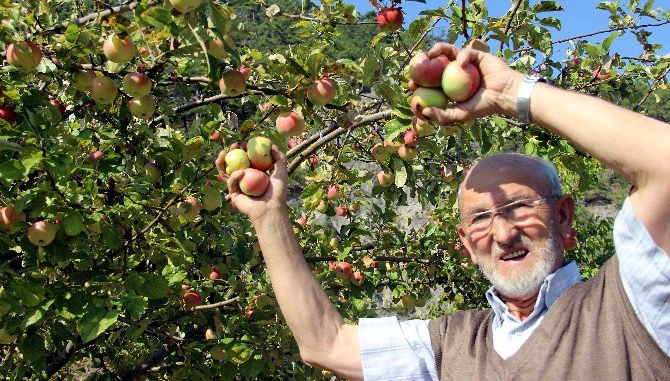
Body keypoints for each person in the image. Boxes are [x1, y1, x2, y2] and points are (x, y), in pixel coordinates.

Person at [221, 43, 670, 380]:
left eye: (517, 207)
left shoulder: (631, 304)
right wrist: (269, 216)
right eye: (480, 219)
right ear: (465, 245)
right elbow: (325, 343)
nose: (502, 231)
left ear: (565, 218)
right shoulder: (449, 347)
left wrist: (514, 92)